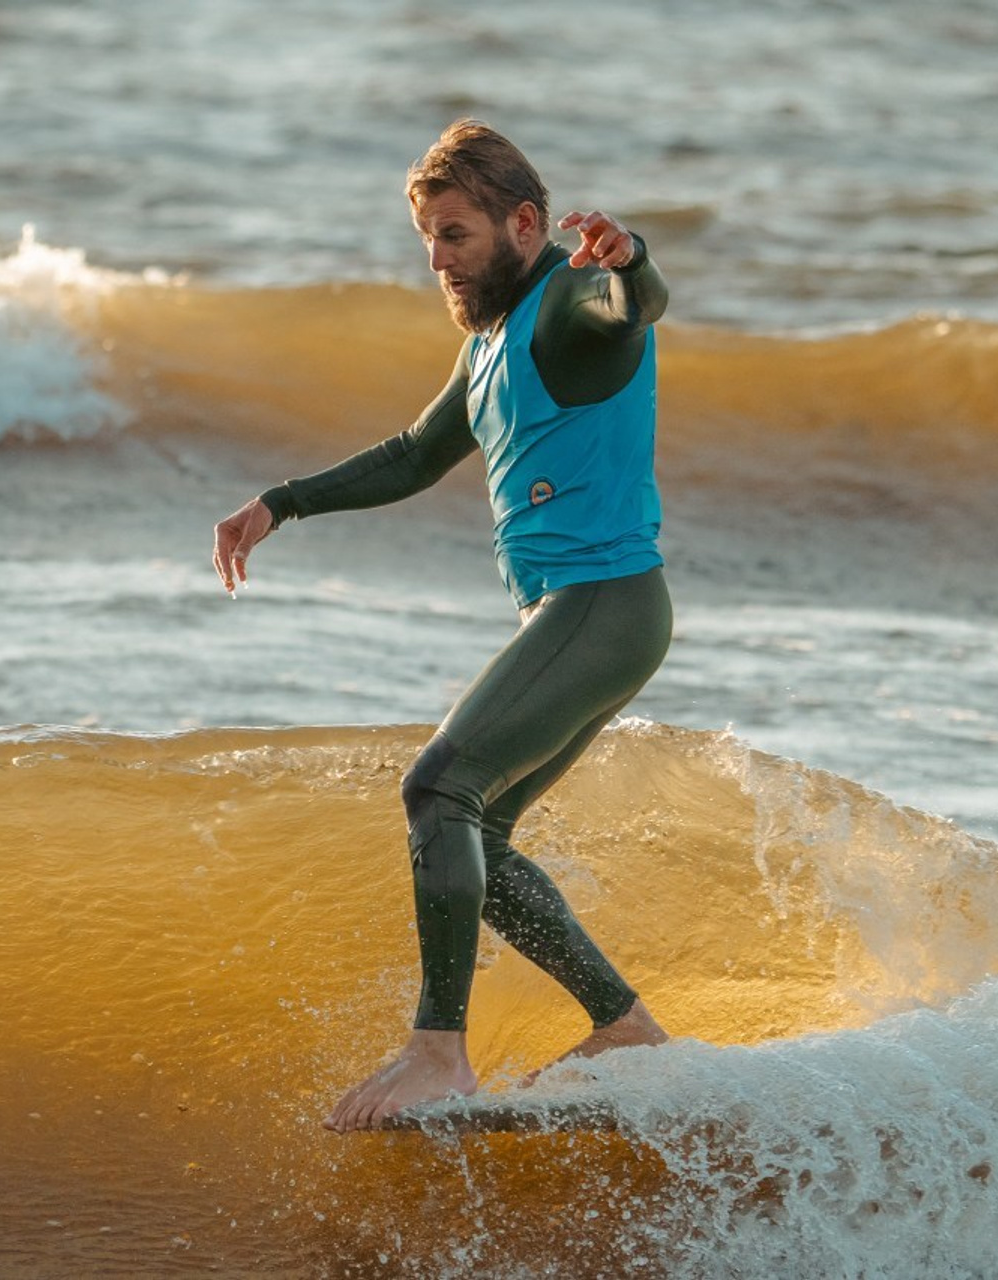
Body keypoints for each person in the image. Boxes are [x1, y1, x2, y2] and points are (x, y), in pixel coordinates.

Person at [212, 120, 673, 1133]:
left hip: (603, 600)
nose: (437, 262)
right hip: (591, 613)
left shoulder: (567, 306)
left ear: (525, 225)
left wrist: (630, 262)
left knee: (437, 789)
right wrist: (279, 503)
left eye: (455, 235)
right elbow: (415, 454)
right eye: (427, 239)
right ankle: (624, 1025)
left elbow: (631, 309)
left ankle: (437, 1051)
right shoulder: (490, 346)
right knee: (481, 836)